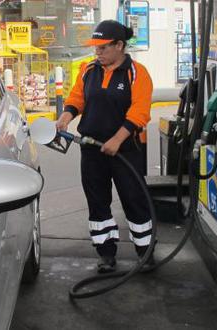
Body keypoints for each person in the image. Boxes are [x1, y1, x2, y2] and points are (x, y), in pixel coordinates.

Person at [55, 20, 154, 273]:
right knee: (98, 201)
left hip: (126, 149)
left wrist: (117, 139)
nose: (97, 52)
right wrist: (66, 116)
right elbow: (78, 97)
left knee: (134, 199)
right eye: (95, 47)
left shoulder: (136, 73)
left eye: (103, 47)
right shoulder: (89, 70)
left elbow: (140, 112)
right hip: (91, 149)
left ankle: (145, 252)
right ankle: (106, 254)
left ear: (119, 45)